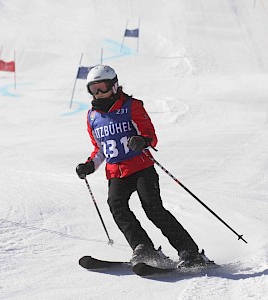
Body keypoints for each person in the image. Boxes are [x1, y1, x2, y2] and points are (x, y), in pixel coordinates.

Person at [76, 65, 211, 268]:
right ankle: (143, 248)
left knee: (153, 208)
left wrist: (142, 140)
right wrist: (89, 166)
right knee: (117, 207)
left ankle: (189, 252)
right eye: (93, 89)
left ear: (114, 86)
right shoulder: (92, 117)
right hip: (115, 172)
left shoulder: (132, 106)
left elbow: (151, 136)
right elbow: (100, 149)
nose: (98, 93)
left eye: (102, 87)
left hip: (141, 167)